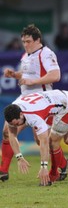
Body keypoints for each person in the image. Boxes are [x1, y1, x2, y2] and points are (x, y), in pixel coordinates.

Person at [1, 24, 61, 182]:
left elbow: (55, 75)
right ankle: (3, 170)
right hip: (25, 101)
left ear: (38, 40)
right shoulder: (26, 55)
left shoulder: (46, 54)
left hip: (42, 101)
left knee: (40, 139)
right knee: (8, 130)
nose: (25, 44)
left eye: (28, 41)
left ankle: (61, 165)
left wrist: (33, 80)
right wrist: (14, 74)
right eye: (23, 41)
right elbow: (27, 74)